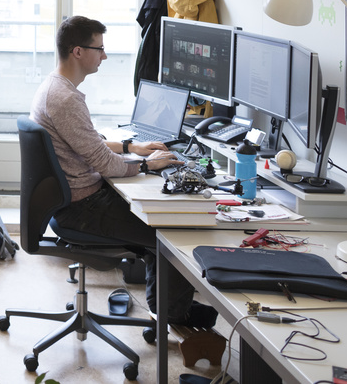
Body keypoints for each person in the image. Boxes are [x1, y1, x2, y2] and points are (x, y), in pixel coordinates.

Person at [29, 16, 218, 329]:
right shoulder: (65, 100)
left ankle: (167, 309)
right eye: (99, 49)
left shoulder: (55, 86)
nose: (104, 56)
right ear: (78, 52)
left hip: (75, 199)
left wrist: (133, 147)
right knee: (172, 228)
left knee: (164, 215)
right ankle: (174, 314)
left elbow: (92, 144)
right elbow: (106, 165)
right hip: (82, 209)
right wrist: (148, 165)